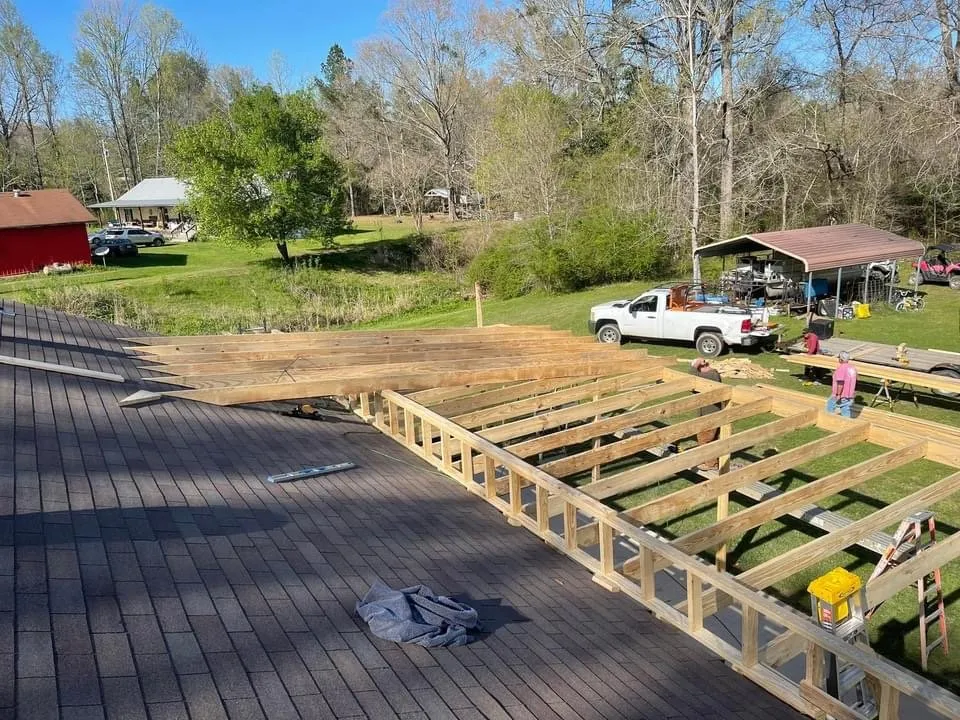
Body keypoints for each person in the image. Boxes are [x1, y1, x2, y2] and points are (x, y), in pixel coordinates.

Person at [690, 358, 723, 470]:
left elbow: (690, 378)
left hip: (709, 414)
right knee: (713, 438)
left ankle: (710, 464)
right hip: (713, 412)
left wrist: (695, 365)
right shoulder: (713, 375)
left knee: (705, 439)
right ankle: (714, 462)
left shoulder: (711, 376)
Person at [827, 351, 857, 418]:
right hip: (849, 395)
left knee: (830, 406)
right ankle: (846, 423)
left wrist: (838, 395)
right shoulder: (852, 368)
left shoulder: (841, 368)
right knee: (845, 409)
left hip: (841, 395)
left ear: (841, 359)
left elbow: (840, 383)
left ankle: (828, 420)